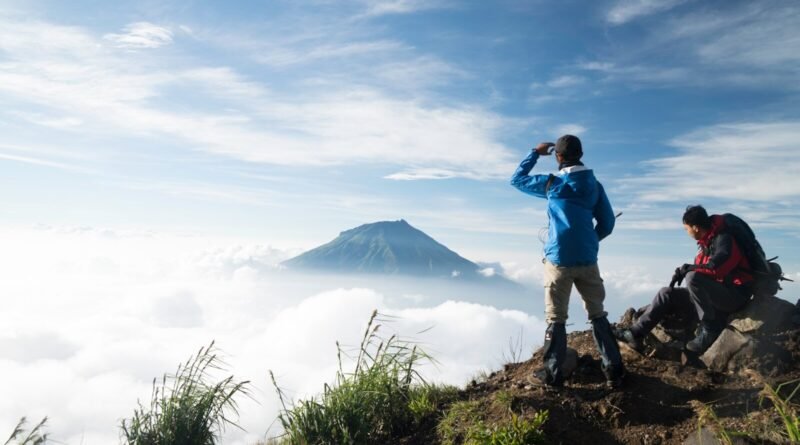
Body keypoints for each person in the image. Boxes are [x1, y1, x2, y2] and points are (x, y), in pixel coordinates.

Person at [511, 134, 624, 389]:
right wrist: (590, 240)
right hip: (587, 259)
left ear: (558, 156)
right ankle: (614, 372)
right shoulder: (594, 185)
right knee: (597, 313)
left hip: (558, 259)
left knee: (556, 317)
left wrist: (535, 153)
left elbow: (517, 180)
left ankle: (553, 376)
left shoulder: (553, 183)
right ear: (581, 154)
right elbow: (607, 223)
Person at [615, 205, 753, 354]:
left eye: (686, 228)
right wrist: (684, 270)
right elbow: (704, 271)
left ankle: (710, 328)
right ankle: (635, 334)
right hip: (717, 294)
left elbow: (717, 269)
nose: (686, 232)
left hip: (735, 295)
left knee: (693, 277)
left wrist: (689, 269)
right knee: (666, 293)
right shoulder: (706, 243)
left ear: (695, 228)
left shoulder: (725, 240)